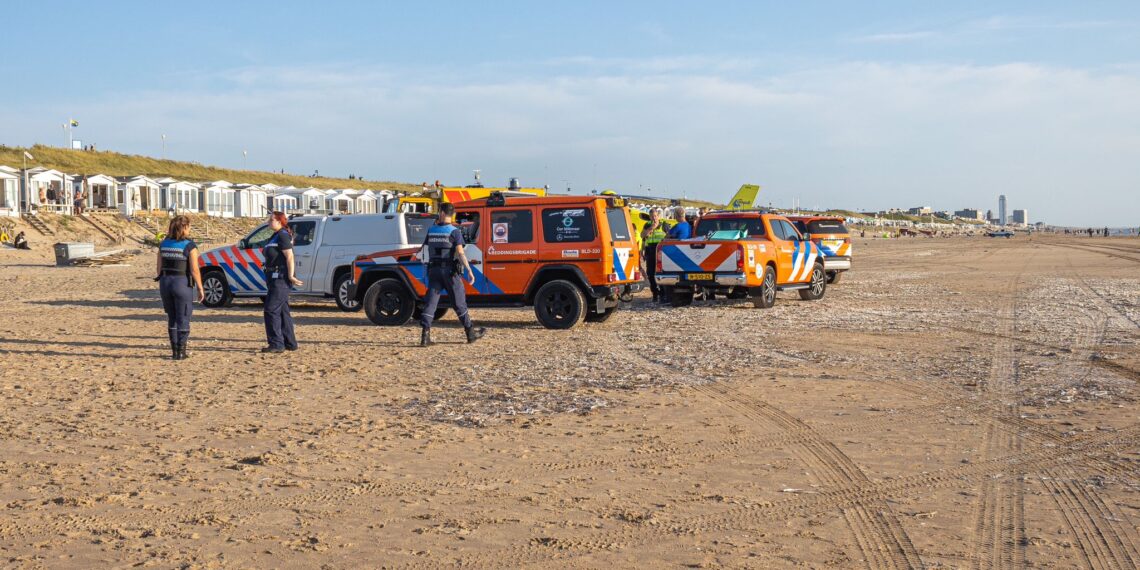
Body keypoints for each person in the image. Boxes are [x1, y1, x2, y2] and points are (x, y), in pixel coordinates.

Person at [419, 202, 485, 346]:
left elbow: (423, 250)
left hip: (433, 270)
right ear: (451, 214)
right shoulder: (454, 231)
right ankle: (470, 333)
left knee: (431, 302)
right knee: (459, 302)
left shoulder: (431, 230)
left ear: (442, 213)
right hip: (449, 271)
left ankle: (425, 336)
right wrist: (469, 270)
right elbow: (460, 253)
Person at [156, 216, 204, 360]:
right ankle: (181, 352)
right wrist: (200, 288)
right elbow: (195, 270)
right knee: (183, 316)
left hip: (165, 282)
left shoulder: (163, 244)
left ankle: (174, 351)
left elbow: (158, 269)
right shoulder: (189, 245)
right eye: (188, 226)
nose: (189, 229)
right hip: (181, 283)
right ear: (183, 227)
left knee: (172, 317)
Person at [261, 212, 302, 354]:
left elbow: (289, 256)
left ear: (279, 221)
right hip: (273, 277)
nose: (269, 222)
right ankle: (290, 342)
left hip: (280, 277)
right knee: (283, 311)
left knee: (271, 309)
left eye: (271, 220)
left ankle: (276, 344)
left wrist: (290, 275)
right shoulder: (276, 235)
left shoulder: (283, 235)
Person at [641, 209, 667, 302]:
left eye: (655, 216)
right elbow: (642, 236)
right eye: (652, 216)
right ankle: (655, 293)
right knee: (650, 274)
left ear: (658, 216)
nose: (654, 218)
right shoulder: (648, 225)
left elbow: (670, 236)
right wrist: (651, 228)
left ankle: (663, 293)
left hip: (660, 250)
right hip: (650, 250)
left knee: (661, 273)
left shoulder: (664, 225)